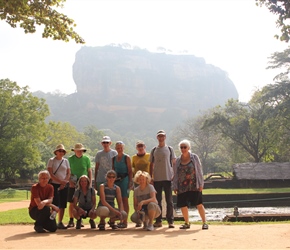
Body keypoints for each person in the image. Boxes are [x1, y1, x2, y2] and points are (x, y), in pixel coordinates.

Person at [173, 139, 208, 230]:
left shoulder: (194, 158)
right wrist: (175, 186)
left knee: (199, 204)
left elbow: (199, 171)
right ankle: (187, 222)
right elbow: (175, 173)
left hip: (194, 185)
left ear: (189, 148)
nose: (183, 149)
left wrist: (201, 183)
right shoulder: (178, 160)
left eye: (185, 147)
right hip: (182, 186)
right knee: (183, 205)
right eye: (181, 147)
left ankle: (204, 222)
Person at [149, 129, 176, 228]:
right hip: (157, 179)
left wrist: (174, 174)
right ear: (157, 138)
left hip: (168, 177)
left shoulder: (169, 149)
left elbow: (174, 163)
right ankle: (158, 220)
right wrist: (150, 177)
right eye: (159, 136)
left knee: (169, 200)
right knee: (158, 200)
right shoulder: (154, 150)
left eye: (162, 136)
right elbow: (151, 164)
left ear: (165, 137)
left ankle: (170, 221)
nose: (161, 138)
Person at [67, 143, 92, 228]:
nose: (79, 152)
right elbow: (68, 171)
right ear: (74, 151)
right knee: (72, 201)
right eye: (77, 150)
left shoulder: (86, 159)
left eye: (81, 150)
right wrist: (70, 181)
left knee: (82, 201)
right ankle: (71, 219)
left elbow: (89, 171)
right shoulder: (70, 159)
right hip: (73, 182)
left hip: (84, 182)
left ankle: (79, 218)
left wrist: (90, 182)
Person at [47, 144, 70, 229]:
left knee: (63, 204)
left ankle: (60, 222)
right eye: (59, 151)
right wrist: (61, 182)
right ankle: (52, 221)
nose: (61, 152)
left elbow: (68, 173)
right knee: (55, 203)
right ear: (56, 152)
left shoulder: (66, 161)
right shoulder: (51, 160)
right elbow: (50, 173)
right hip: (54, 184)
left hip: (64, 185)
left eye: (63, 151)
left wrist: (64, 182)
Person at [112, 141, 132, 227]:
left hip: (125, 180)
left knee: (125, 200)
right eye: (118, 148)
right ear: (116, 149)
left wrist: (130, 182)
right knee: (119, 201)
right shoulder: (113, 158)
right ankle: (121, 219)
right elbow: (112, 171)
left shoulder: (126, 157)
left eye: (121, 148)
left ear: (123, 148)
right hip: (117, 181)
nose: (119, 149)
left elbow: (130, 170)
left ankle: (125, 221)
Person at [131, 140, 150, 227]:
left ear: (145, 147)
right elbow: (133, 169)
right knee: (137, 199)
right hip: (137, 181)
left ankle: (147, 219)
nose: (140, 148)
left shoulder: (149, 155)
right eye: (139, 146)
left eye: (142, 146)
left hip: (147, 181)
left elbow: (152, 167)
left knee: (147, 199)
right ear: (136, 148)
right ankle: (139, 220)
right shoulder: (134, 157)